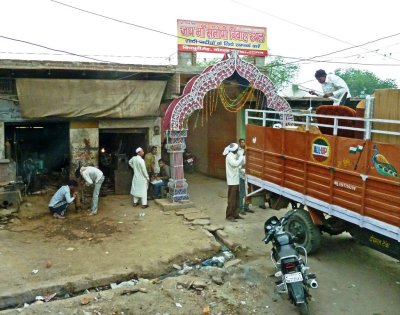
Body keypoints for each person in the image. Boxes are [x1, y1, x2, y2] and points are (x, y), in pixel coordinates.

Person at [223, 142, 245, 222]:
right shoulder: (229, 156)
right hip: (232, 181)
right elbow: (235, 164)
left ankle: (236, 214)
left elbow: (239, 163)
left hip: (236, 180)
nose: (238, 150)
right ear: (234, 150)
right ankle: (229, 216)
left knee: (237, 199)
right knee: (232, 199)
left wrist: (241, 156)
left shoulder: (234, 155)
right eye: (237, 149)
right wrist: (241, 157)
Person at [237, 138, 254, 215]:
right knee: (242, 192)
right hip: (241, 174)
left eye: (244, 142)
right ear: (239, 143)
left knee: (249, 192)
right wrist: (243, 166)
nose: (243, 143)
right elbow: (238, 164)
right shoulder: (238, 152)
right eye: (242, 142)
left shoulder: (247, 151)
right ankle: (241, 208)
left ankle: (246, 207)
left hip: (248, 174)